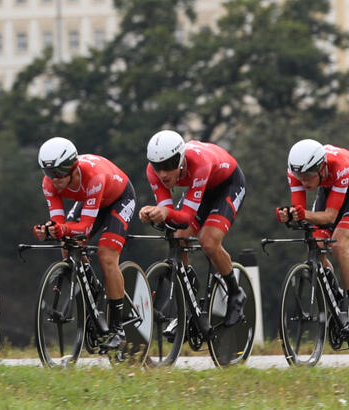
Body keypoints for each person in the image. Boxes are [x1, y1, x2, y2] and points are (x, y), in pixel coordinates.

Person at [32, 137, 135, 350]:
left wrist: (63, 229)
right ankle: (93, 286)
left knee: (106, 256)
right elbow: (59, 222)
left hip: (119, 199)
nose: (55, 179)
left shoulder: (93, 176)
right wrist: (48, 230)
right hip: (92, 200)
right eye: (49, 173)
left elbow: (86, 227)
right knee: (66, 244)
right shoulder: (49, 183)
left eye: (60, 172)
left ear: (72, 167)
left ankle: (117, 328)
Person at [138, 129, 247, 328]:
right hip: (202, 190)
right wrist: (152, 213)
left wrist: (164, 213)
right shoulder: (153, 172)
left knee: (208, 242)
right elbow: (169, 213)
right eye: (157, 167)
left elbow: (185, 217)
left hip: (228, 186)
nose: (163, 174)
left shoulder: (199, 163)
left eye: (169, 165)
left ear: (180, 159)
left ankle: (235, 293)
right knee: (178, 237)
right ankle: (187, 283)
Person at [277, 139, 349, 330]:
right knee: (317, 244)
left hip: (344, 187)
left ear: (322, 167)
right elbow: (299, 211)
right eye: (299, 176)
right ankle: (335, 296)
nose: (304, 181)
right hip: (329, 190)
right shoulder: (296, 173)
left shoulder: (340, 167)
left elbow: (330, 216)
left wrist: (302, 214)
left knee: (339, 243)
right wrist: (289, 215)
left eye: (308, 176)